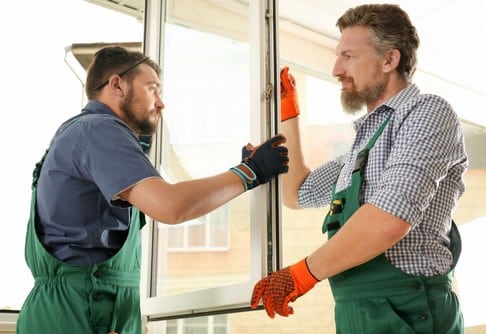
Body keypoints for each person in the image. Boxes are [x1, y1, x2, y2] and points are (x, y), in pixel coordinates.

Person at [16, 46, 289, 334]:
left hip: (70, 310)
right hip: (78, 313)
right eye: (152, 89)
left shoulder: (77, 134)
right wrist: (250, 172)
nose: (161, 103)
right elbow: (171, 205)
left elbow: (177, 188)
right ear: (117, 84)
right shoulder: (100, 130)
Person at [251, 4, 468, 333]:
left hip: (408, 312)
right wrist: (289, 115)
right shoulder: (362, 146)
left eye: (348, 56)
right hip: (357, 315)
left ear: (389, 60)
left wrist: (300, 274)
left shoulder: (427, 114)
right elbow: (297, 193)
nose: (336, 69)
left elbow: (389, 219)